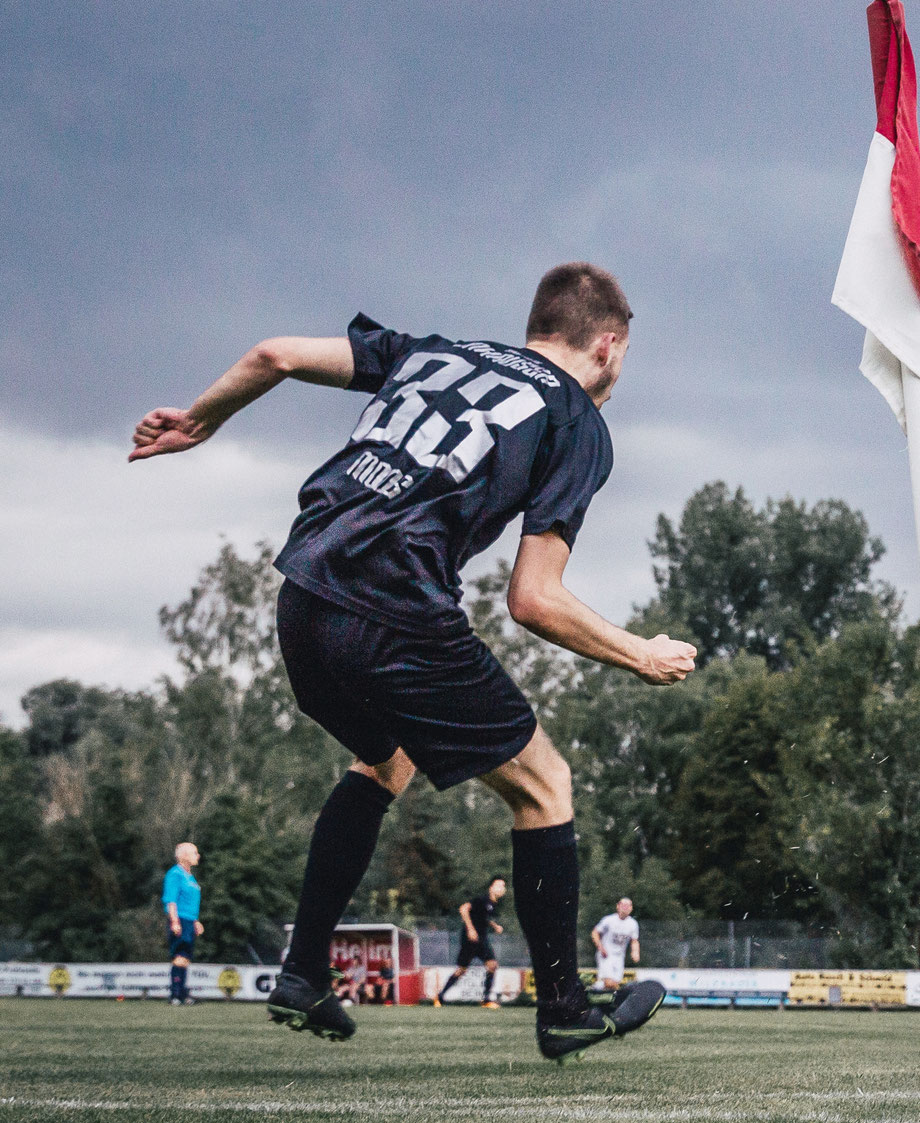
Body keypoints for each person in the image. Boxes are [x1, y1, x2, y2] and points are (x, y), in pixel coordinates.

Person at [131, 263, 689, 1062]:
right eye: (623, 356)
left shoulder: (436, 353)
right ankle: (564, 1007)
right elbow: (533, 598)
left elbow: (272, 354)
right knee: (545, 786)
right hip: (395, 611)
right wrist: (640, 653)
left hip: (303, 597)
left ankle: (301, 972)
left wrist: (200, 420)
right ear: (607, 345)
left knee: (383, 760)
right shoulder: (575, 420)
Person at [437, 877, 507, 1007]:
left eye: (503, 886)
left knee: (492, 965)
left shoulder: (492, 904)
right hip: (471, 939)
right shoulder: (481, 899)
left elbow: (481, 917)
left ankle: (486, 999)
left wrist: (494, 926)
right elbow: (463, 909)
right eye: (498, 885)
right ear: (491, 888)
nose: (501, 889)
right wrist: (470, 929)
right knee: (461, 970)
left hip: (482, 939)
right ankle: (440, 997)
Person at [160, 843, 203, 1006]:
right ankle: (175, 994)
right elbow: (171, 900)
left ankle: (182, 993)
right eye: (195, 853)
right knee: (179, 956)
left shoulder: (190, 876)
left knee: (185, 957)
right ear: (184, 855)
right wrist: (175, 921)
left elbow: (190, 902)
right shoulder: (175, 874)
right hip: (179, 919)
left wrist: (195, 921)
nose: (197, 856)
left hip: (189, 920)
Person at [591, 898, 642, 998]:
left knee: (612, 984)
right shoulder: (609, 920)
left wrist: (635, 952)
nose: (625, 908)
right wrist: (600, 947)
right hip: (606, 955)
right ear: (618, 906)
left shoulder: (633, 924)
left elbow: (634, 940)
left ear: (631, 908)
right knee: (609, 983)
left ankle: (594, 991)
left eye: (628, 906)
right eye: (623, 905)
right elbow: (595, 933)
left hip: (619, 957)